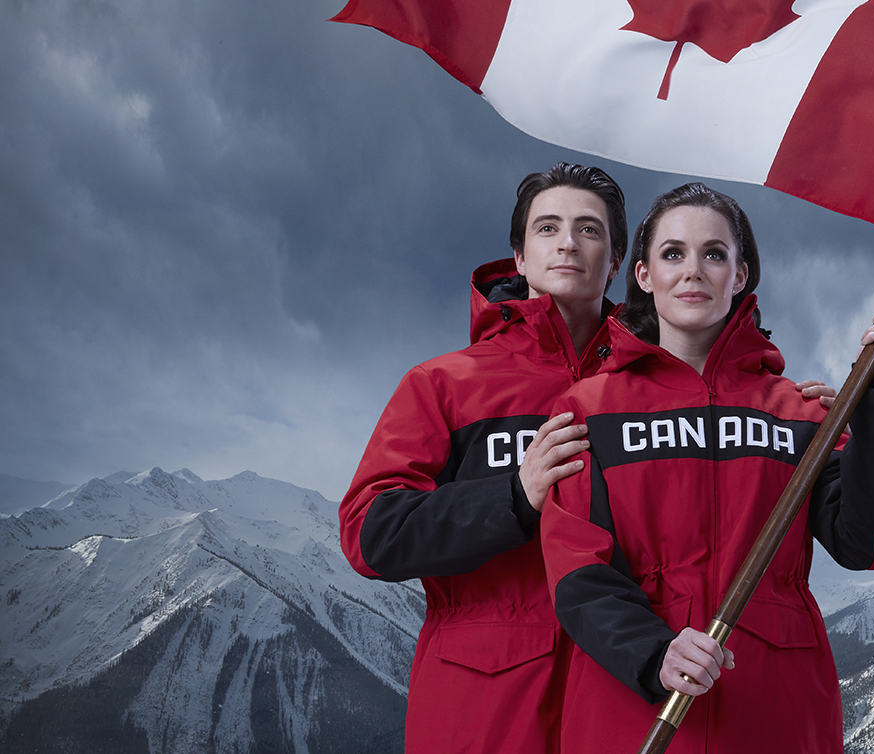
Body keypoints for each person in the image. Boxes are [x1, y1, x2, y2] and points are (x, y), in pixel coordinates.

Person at [340, 166, 837, 753]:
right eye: (547, 228)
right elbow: (370, 534)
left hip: (627, 700)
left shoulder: (651, 391)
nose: (568, 243)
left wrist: (795, 410)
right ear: (519, 257)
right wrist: (511, 498)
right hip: (489, 705)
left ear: (622, 262)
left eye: (589, 230)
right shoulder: (444, 385)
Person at [540, 183, 874, 753]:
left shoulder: (800, 412)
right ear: (644, 275)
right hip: (633, 712)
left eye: (714, 254)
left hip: (776, 715)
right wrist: (653, 653)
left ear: (740, 276)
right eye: (673, 254)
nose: (693, 271)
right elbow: (576, 572)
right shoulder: (588, 410)